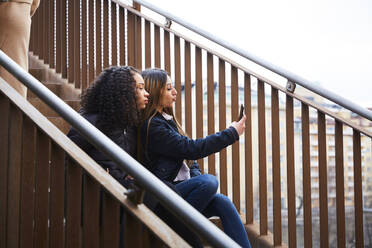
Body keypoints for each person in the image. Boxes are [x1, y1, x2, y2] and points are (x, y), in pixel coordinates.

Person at [66, 66, 203, 247]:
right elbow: (68, 157)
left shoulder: (128, 123)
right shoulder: (92, 120)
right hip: (96, 192)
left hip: (121, 188)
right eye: (139, 88)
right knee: (162, 193)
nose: (146, 93)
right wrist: (100, 173)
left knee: (164, 195)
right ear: (122, 91)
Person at [140, 68, 251, 248]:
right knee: (208, 182)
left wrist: (196, 174)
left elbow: (189, 161)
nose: (175, 92)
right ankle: (176, 224)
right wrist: (231, 133)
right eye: (168, 89)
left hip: (181, 195)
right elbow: (191, 149)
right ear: (154, 92)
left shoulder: (167, 121)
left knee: (222, 201)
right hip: (165, 197)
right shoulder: (152, 126)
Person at [0, 0, 40, 97]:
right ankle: (15, 110)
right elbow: (35, 4)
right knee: (15, 68)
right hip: (22, 8)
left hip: (7, 6)